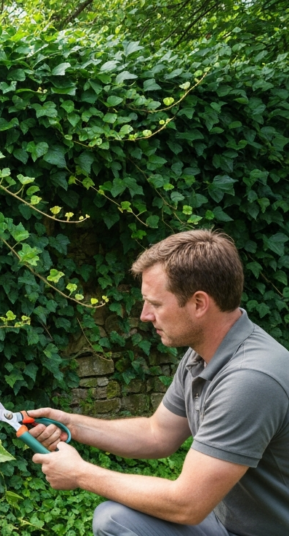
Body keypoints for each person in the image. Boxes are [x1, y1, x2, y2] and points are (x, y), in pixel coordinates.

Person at [28, 229, 289, 536]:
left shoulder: (250, 380)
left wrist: (81, 474)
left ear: (199, 303)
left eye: (155, 303)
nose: (144, 315)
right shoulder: (203, 356)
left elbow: (187, 504)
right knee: (114, 519)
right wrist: (71, 423)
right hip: (225, 523)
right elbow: (158, 434)